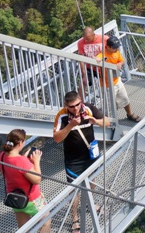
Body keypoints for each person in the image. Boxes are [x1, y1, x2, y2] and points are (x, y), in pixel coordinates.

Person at [53, 91, 111, 231]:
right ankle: (74, 218)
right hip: (74, 159)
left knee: (91, 181)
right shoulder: (62, 115)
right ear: (66, 106)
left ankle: (89, 204)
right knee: (74, 190)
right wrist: (70, 125)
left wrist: (95, 121)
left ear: (81, 101)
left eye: (77, 105)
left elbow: (107, 122)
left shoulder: (89, 108)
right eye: (71, 107)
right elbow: (56, 138)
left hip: (90, 153)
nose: (76, 108)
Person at [0, 129, 50, 231]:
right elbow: (37, 179)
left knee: (23, 228)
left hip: (15, 197)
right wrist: (36, 161)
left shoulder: (2, 156)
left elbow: (14, 170)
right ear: (21, 142)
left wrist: (25, 159)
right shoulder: (21, 161)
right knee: (46, 220)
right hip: (31, 199)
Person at [96, 35, 141, 122]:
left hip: (117, 81)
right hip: (107, 85)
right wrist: (97, 59)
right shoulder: (103, 54)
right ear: (108, 47)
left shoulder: (116, 52)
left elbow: (122, 60)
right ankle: (107, 121)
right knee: (108, 105)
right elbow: (98, 57)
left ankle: (130, 114)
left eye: (117, 47)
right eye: (114, 48)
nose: (116, 49)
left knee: (125, 98)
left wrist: (120, 63)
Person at [75, 27, 107, 96]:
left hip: (103, 67)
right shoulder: (81, 43)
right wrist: (84, 74)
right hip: (90, 68)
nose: (86, 40)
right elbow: (81, 58)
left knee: (107, 84)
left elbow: (111, 51)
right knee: (83, 82)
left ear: (93, 34)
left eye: (88, 38)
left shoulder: (104, 39)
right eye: (84, 38)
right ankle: (80, 103)